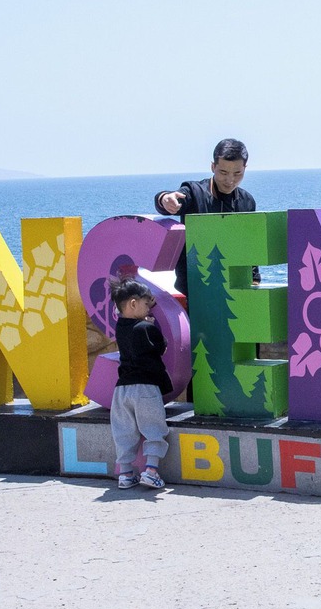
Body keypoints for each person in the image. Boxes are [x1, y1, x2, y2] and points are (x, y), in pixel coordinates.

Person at [154, 138, 258, 293]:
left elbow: (251, 245)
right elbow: (172, 199)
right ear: (213, 166)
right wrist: (165, 199)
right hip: (194, 291)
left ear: (245, 168)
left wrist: (255, 280)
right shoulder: (195, 192)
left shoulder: (247, 201)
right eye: (223, 172)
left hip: (233, 290)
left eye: (237, 173)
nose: (230, 180)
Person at [110, 277, 173, 490]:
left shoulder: (120, 328)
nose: (149, 310)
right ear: (134, 304)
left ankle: (126, 473)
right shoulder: (146, 327)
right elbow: (161, 348)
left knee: (124, 431)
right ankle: (151, 471)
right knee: (154, 428)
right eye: (147, 304)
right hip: (145, 387)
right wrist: (153, 328)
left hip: (121, 390)